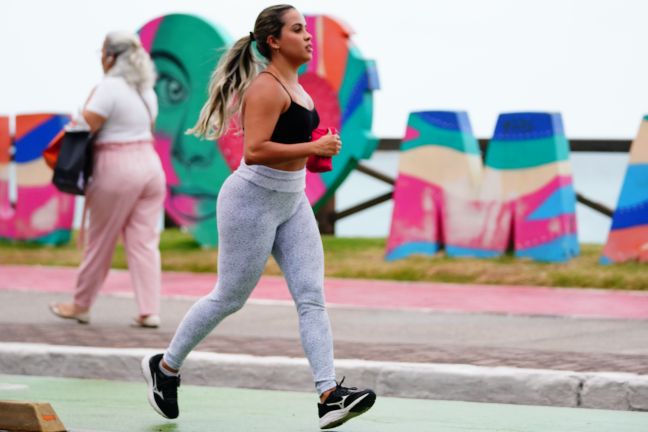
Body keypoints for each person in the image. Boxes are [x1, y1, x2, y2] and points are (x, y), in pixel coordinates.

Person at [140, 4, 376, 429]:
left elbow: (290, 140)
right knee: (229, 297)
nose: (307, 36)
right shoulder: (266, 87)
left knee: (311, 296)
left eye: (307, 30)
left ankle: (328, 395)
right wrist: (310, 149)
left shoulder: (298, 86)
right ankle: (166, 367)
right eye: (298, 29)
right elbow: (255, 150)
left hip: (292, 200)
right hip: (251, 200)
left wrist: (316, 145)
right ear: (273, 41)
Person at [49, 32, 165, 328]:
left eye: (102, 52)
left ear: (111, 56)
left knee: (100, 240)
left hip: (116, 166)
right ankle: (149, 310)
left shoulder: (109, 87)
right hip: (150, 166)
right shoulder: (146, 90)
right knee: (144, 242)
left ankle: (81, 304)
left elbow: (85, 125)